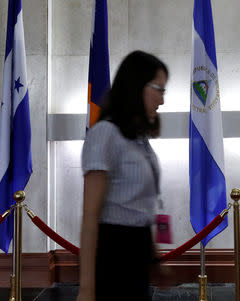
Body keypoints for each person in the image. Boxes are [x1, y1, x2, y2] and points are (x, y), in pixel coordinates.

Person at [77, 50, 169, 301]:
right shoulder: (104, 134)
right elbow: (90, 217)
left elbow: (141, 206)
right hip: (113, 252)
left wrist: (154, 256)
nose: (162, 100)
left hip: (138, 251)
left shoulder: (138, 139)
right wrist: (86, 289)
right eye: (159, 89)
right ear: (137, 86)